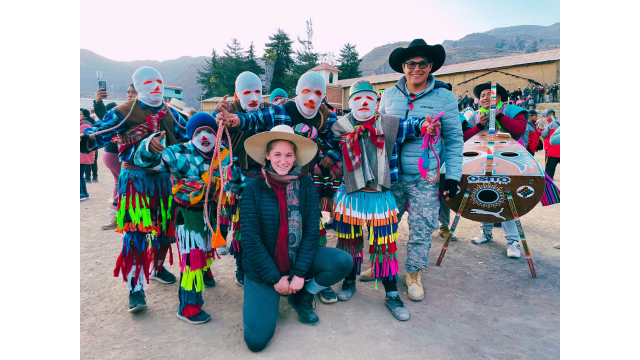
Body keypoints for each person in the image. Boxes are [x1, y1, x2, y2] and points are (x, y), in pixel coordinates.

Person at [216, 71, 341, 302]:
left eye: (317, 93)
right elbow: (256, 118)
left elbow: (338, 138)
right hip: (265, 181)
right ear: (297, 93)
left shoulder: (327, 116)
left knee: (313, 228)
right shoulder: (281, 109)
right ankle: (261, 273)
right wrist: (236, 120)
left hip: (303, 183)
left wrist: (331, 156)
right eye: (306, 91)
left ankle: (314, 279)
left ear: (323, 96)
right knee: (264, 229)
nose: (312, 97)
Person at [326, 79, 437, 319]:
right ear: (350, 103)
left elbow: (412, 126)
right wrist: (327, 160)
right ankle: (348, 281)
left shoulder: (389, 123)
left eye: (368, 98)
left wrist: (425, 126)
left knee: (385, 245)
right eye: (357, 98)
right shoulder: (340, 127)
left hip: (381, 196)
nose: (363, 102)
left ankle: (390, 294)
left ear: (376, 101)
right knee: (348, 242)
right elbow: (331, 150)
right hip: (350, 196)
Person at [80, 66, 188, 312]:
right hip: (135, 181)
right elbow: (97, 134)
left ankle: (159, 267)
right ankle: (136, 288)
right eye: (149, 82)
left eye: (159, 81)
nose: (156, 86)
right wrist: (83, 140)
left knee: (165, 230)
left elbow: (189, 132)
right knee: (136, 233)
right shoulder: (123, 112)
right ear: (138, 87)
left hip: (165, 180)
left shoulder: (170, 111)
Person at [240, 125, 353, 352]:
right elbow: (251, 241)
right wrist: (275, 279)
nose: (283, 161)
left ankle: (302, 295)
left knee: (343, 262)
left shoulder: (307, 186)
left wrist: (300, 275)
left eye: (289, 155)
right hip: (265, 270)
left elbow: (312, 232)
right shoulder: (252, 190)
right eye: (278, 154)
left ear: (295, 157)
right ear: (267, 156)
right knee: (256, 341)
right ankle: (273, 290)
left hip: (297, 262)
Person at [368, 39, 462, 304]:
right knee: (383, 225)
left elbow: (454, 141)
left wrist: (453, 176)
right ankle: (379, 266)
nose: (417, 68)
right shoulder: (388, 96)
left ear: (431, 66)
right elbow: (379, 134)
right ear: (403, 66)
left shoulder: (445, 97)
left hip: (425, 178)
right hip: (392, 175)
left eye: (423, 63)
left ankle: (413, 274)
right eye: (411, 63)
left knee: (421, 228)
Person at [134, 112, 244, 324]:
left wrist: (237, 179)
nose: (205, 136)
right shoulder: (177, 153)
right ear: (190, 134)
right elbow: (144, 162)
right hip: (186, 212)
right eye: (199, 132)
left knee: (205, 249)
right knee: (192, 257)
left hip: (211, 212)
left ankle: (204, 273)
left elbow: (236, 182)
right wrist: (148, 146)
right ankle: (188, 307)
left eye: (210, 131)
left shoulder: (224, 154)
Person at [212, 71, 275, 282]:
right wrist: (219, 117)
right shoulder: (225, 113)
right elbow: (219, 144)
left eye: (258, 91)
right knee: (240, 227)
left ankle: (259, 267)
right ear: (237, 95)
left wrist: (237, 120)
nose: (254, 97)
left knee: (263, 228)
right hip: (238, 182)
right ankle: (241, 268)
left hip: (266, 180)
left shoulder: (271, 111)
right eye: (247, 92)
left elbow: (261, 118)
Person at [465, 82, 529, 259]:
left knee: (506, 199)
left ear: (499, 98)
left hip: (508, 162)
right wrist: (479, 126)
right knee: (482, 195)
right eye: (483, 95)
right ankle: (486, 233)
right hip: (480, 162)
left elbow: (519, 129)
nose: (485, 98)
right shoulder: (475, 115)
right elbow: (463, 137)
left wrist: (499, 115)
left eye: (490, 94)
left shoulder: (513, 111)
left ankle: (513, 241)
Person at [541, 109, 560, 179]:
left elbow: (544, 135)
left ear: (551, 115)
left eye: (547, 116)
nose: (546, 117)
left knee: (549, 175)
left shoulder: (550, 124)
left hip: (552, 151)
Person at [80, 109, 95, 201]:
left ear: (84, 115)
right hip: (84, 153)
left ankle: (81, 193)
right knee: (80, 174)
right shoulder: (86, 124)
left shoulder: (84, 126)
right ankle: (84, 193)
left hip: (82, 153)